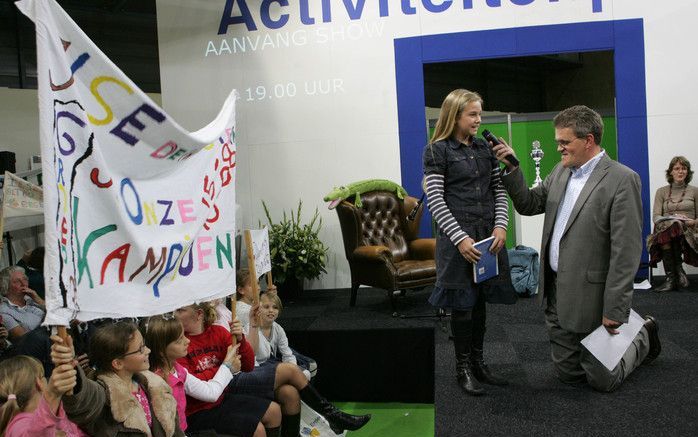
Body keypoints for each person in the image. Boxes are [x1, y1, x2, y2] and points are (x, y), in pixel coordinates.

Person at [493, 104, 661, 392]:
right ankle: (598, 349)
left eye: (564, 142)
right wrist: (513, 168)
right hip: (556, 290)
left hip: (593, 296)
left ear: (589, 141)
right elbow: (529, 204)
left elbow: (626, 253)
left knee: (601, 381)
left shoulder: (622, 179)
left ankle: (642, 333)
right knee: (569, 375)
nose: (558, 148)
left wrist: (616, 308)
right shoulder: (561, 171)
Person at [422, 89, 517, 396]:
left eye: (480, 114)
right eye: (472, 115)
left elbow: (498, 190)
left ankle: (478, 363)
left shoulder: (485, 148)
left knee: (480, 304)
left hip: (488, 237)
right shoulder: (437, 151)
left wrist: (502, 226)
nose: (479, 120)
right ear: (455, 116)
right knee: (462, 306)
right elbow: (436, 200)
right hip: (457, 241)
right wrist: (460, 237)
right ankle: (462, 369)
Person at [176, 302, 370, 436]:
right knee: (290, 371)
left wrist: (241, 339)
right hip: (219, 391)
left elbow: (247, 363)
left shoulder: (218, 331)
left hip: (230, 381)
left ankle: (332, 417)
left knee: (290, 393)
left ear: (199, 314)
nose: (175, 315)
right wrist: (225, 368)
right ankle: (332, 416)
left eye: (180, 310)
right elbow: (202, 383)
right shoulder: (180, 343)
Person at [142, 314, 281, 437]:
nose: (187, 341)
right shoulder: (156, 383)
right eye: (179, 340)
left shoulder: (177, 370)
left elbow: (210, 392)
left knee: (274, 411)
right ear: (161, 351)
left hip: (197, 418)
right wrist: (227, 366)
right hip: (191, 424)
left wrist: (239, 343)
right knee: (257, 430)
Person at [50, 321, 185, 436]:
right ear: (118, 363)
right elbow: (83, 397)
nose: (148, 350)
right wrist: (70, 365)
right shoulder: (104, 395)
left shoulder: (154, 385)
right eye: (140, 349)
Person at [0, 355, 85, 436]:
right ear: (39, 383)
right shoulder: (17, 427)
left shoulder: (54, 412)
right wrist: (52, 395)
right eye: (43, 376)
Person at [647, 156, 697, 291]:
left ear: (688, 172)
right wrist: (673, 218)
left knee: (675, 226)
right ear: (670, 172)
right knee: (672, 225)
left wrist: (692, 221)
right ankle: (678, 272)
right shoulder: (661, 191)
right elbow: (656, 217)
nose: (680, 172)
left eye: (684, 168)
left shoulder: (694, 191)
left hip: (689, 230)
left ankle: (671, 277)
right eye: (677, 169)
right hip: (667, 229)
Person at [247, 293, 315, 381]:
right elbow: (251, 360)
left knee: (305, 374)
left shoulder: (278, 329)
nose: (271, 310)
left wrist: (293, 370)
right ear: (259, 309)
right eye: (266, 307)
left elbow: (287, 355)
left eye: (275, 307)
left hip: (273, 365)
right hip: (257, 369)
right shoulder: (250, 329)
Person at [0, 266, 46, 342]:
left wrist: (39, 300)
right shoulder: (3, 311)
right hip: (38, 347)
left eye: (25, 279)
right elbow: (25, 339)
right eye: (17, 281)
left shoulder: (31, 299)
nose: (24, 284)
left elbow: (56, 313)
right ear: (6, 286)